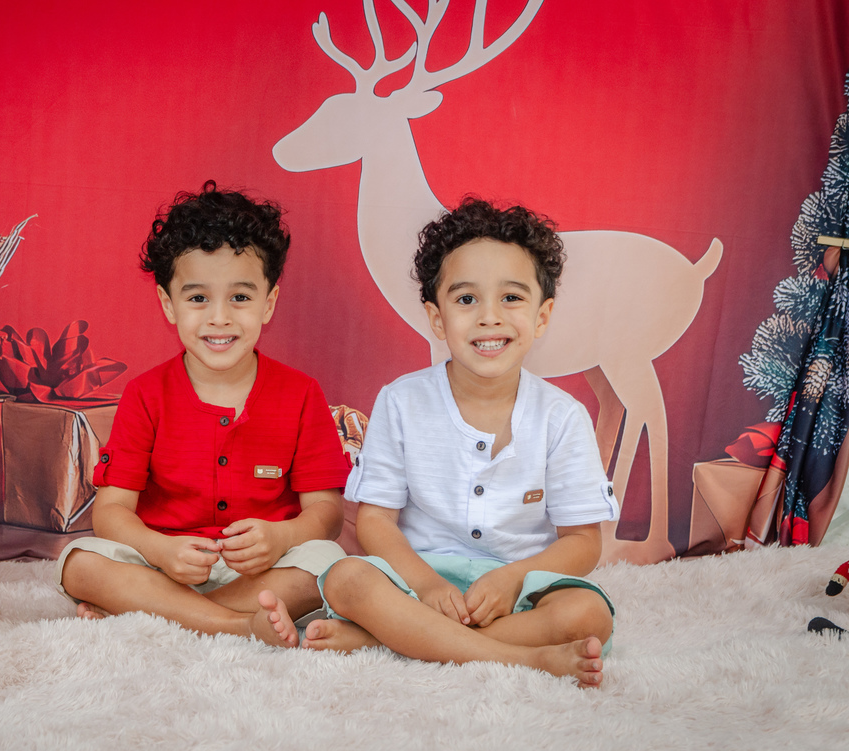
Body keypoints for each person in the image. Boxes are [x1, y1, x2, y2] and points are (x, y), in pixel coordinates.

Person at [301, 197, 619, 687]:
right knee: (348, 579)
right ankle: (522, 658)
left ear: (542, 316)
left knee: (588, 614)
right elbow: (376, 521)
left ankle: (390, 639)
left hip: (520, 587)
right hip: (415, 579)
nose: (489, 317)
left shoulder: (562, 417)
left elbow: (583, 542)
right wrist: (426, 585)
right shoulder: (401, 401)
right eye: (466, 300)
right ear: (437, 318)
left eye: (511, 298)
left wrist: (512, 579)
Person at [56, 181, 349, 647]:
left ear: (269, 303)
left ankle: (160, 610)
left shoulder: (301, 393)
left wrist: (281, 537)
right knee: (79, 562)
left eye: (240, 297)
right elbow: (111, 513)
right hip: (163, 565)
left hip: (262, 570)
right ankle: (235, 625)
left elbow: (327, 513)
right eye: (197, 299)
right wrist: (159, 549)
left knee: (328, 564)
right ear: (167, 304)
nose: (219, 318)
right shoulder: (145, 394)